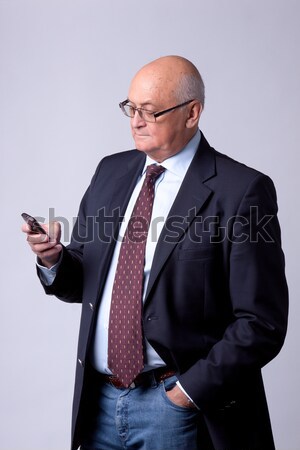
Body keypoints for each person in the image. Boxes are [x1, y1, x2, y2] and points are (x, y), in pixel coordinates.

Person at [22, 55, 288, 450]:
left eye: (150, 111)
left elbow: (261, 323)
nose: (135, 121)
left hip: (180, 409)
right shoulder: (110, 171)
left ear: (192, 113)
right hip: (99, 406)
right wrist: (54, 259)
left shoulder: (241, 191)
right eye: (130, 108)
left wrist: (184, 396)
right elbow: (86, 282)